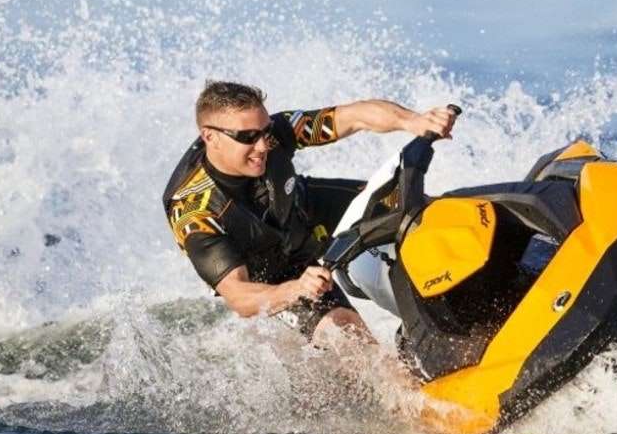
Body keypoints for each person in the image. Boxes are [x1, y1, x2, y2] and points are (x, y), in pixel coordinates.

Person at [163, 81, 457, 342]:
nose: (263, 145)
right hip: (277, 275)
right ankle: (403, 388)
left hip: (304, 212)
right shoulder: (194, 211)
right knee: (346, 333)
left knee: (417, 208)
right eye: (248, 136)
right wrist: (297, 288)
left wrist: (413, 121)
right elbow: (238, 296)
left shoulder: (275, 132)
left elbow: (353, 116)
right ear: (210, 137)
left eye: (265, 131)